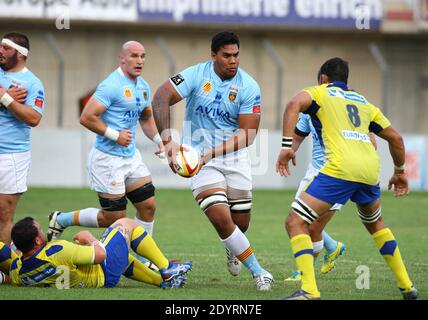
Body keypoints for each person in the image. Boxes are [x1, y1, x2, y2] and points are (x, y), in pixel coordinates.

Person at [276, 57, 418, 300]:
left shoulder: (320, 93)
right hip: (370, 169)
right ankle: (407, 287)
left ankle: (309, 291)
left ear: (323, 79)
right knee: (376, 224)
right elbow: (396, 139)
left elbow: (292, 104)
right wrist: (400, 171)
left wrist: (286, 146)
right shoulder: (364, 102)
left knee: (295, 222)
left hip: (340, 169)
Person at [151, 31, 273, 291]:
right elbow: (161, 97)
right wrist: (167, 140)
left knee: (241, 224)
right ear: (214, 55)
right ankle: (259, 272)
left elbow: (248, 134)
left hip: (235, 158)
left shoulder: (249, 86)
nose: (233, 60)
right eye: (227, 55)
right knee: (220, 218)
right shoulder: (196, 74)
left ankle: (234, 248)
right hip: (199, 161)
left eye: (236, 55)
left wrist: (213, 152)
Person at [48, 41, 164, 267]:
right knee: (114, 219)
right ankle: (61, 219)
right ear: (122, 59)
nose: (139, 60)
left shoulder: (143, 86)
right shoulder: (111, 86)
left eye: (143, 56)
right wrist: (114, 134)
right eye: (134, 56)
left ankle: (143, 256)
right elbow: (86, 116)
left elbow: (146, 117)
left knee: (148, 205)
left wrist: (160, 141)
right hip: (107, 160)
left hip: (130, 157)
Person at [0, 216, 191, 288]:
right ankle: (166, 268)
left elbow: (10, 258)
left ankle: (163, 282)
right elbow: (100, 255)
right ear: (37, 240)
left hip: (89, 280)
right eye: (40, 229)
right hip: (103, 271)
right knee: (125, 225)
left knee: (122, 254)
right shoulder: (58, 250)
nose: (43, 231)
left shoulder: (18, 271)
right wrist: (89, 238)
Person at [0, 32, 44, 245]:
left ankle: (5, 266)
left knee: (3, 214)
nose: (0, 51)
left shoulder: (33, 83)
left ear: (20, 54)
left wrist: (5, 98)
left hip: (12, 156)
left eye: (6, 48)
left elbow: (34, 118)